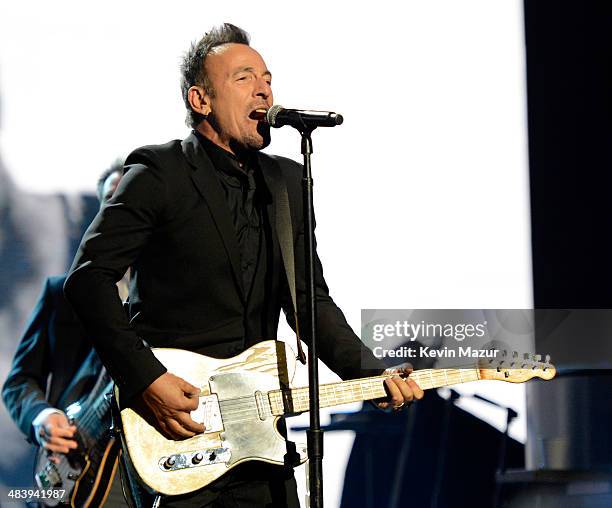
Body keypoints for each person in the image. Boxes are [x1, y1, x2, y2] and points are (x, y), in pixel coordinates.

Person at [64, 24, 423, 507]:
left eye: (269, 78)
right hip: (178, 429)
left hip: (259, 438)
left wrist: (367, 374)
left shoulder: (287, 184)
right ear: (200, 99)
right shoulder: (158, 173)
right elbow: (88, 280)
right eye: (244, 78)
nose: (264, 88)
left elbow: (309, 301)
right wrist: (146, 378)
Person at [2, 162, 129, 507]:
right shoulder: (62, 294)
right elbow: (18, 382)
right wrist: (43, 418)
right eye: (110, 201)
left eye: (129, 200)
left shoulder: (174, 301)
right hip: (73, 470)